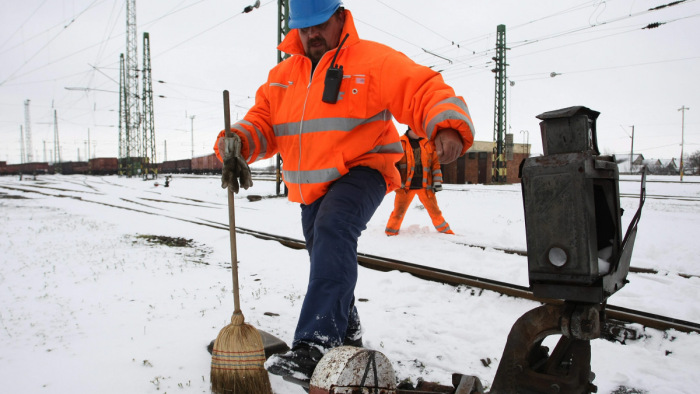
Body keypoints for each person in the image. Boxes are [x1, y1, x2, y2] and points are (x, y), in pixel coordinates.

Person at [213, 0, 475, 381]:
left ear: (340, 17)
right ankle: (348, 334)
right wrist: (237, 142)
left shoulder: (372, 61)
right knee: (325, 254)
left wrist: (446, 123)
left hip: (364, 169)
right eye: (304, 28)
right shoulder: (281, 77)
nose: (312, 34)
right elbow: (263, 124)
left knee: (334, 229)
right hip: (311, 187)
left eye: (319, 24)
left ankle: (315, 344)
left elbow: (420, 87)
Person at [385, 127, 454, 236]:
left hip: (425, 187)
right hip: (405, 188)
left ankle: (445, 231)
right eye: (416, 129)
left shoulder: (428, 144)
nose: (419, 132)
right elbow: (393, 164)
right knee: (398, 212)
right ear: (410, 129)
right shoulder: (400, 142)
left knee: (435, 211)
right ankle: (390, 232)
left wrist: (437, 182)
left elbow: (435, 165)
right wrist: (398, 182)